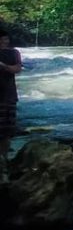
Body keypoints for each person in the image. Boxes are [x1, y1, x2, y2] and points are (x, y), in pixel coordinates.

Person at [0, 29, 24, 184]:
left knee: (6, 132)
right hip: (6, 96)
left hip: (8, 96)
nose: (4, 43)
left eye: (6, 40)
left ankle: (4, 162)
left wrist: (3, 66)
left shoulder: (13, 53)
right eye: (2, 40)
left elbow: (18, 68)